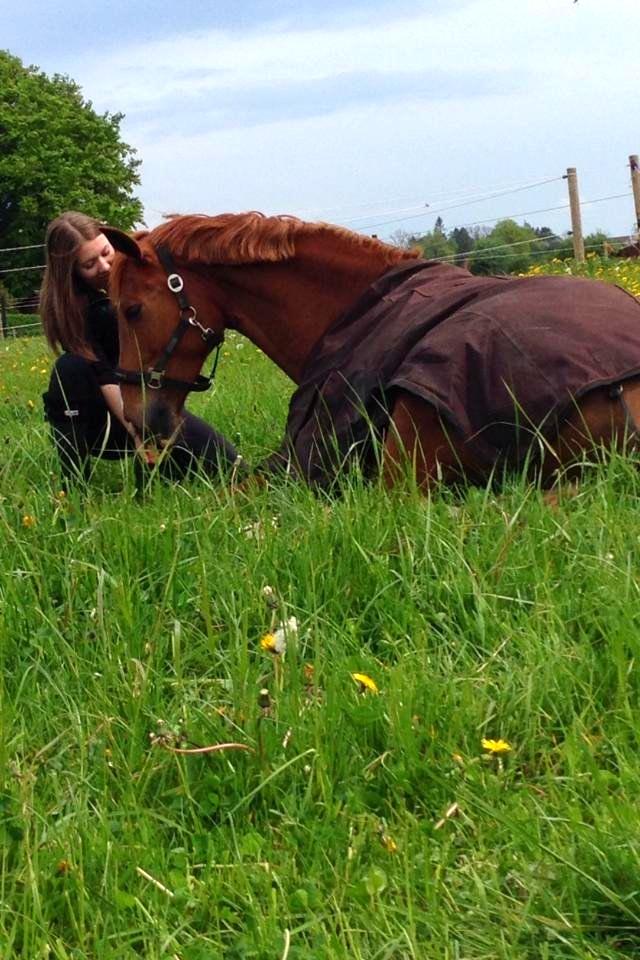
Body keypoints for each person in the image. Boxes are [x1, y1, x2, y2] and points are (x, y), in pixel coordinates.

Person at [40, 211, 240, 486]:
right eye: (89, 264)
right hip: (105, 419)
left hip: (146, 405)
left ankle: (153, 475)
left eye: (105, 253)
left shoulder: (135, 286)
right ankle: (72, 486)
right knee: (70, 367)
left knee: (229, 464)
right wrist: (137, 431)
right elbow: (105, 376)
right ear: (72, 273)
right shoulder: (77, 312)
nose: (104, 266)